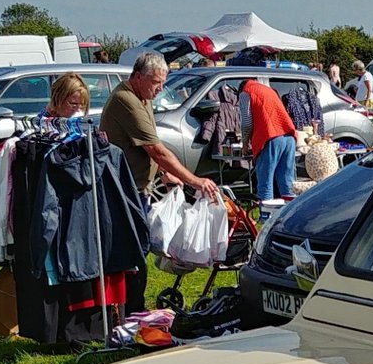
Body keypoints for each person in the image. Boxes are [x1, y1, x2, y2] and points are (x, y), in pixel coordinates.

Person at [100, 52, 218, 313]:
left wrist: (165, 175)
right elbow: (156, 149)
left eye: (163, 83)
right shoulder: (125, 100)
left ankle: (129, 310)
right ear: (138, 76)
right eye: (156, 82)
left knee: (137, 251)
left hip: (138, 187)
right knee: (133, 253)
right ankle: (130, 312)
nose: (161, 89)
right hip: (123, 190)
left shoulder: (142, 98)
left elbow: (144, 147)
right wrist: (195, 181)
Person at [238, 78, 297, 202]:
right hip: (288, 137)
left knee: (265, 183)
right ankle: (290, 215)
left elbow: (246, 123)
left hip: (271, 138)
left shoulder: (245, 93)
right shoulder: (269, 90)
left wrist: (245, 144)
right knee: (287, 183)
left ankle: (266, 217)